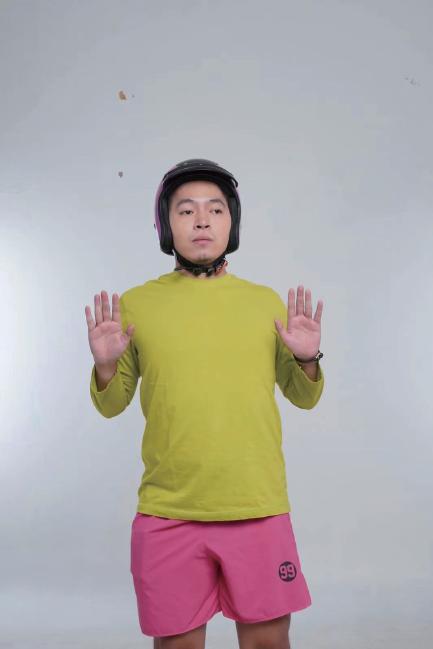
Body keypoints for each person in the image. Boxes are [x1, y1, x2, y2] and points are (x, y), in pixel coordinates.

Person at [85, 159, 325, 649]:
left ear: (231, 222)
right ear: (165, 225)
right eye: (186, 210)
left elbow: (304, 397)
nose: (201, 221)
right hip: (168, 512)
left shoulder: (265, 303)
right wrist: (106, 366)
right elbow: (112, 404)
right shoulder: (135, 305)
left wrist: (307, 358)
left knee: (267, 641)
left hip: (256, 507)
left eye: (215, 210)